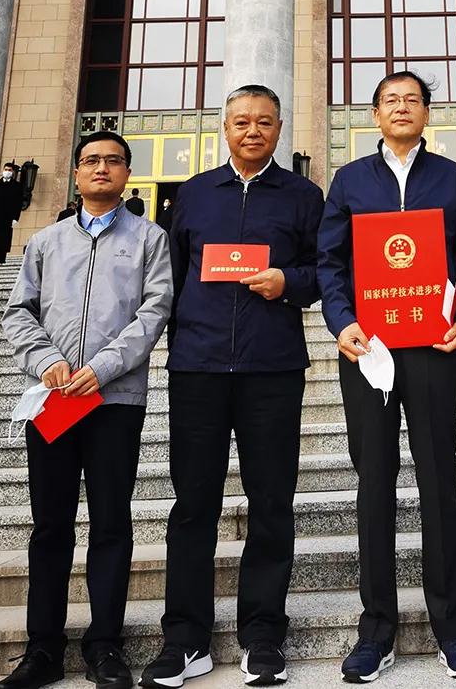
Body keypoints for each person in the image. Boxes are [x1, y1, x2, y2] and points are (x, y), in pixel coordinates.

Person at [141, 85, 323, 689]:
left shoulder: (302, 196)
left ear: (279, 130)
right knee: (193, 504)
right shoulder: (194, 193)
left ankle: (263, 635)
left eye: (264, 122)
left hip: (272, 369)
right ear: (225, 128)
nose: (252, 131)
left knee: (271, 502)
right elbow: (170, 276)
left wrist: (288, 282)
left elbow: (326, 271)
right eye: (242, 121)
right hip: (198, 367)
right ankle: (184, 640)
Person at [316, 70, 456, 683]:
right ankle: (376, 629)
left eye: (413, 100)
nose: (402, 108)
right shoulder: (350, 180)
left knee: (439, 478)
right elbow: (330, 261)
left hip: (435, 347)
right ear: (375, 114)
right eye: (391, 100)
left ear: (427, 113)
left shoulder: (452, 178)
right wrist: (342, 322)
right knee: (375, 482)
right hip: (370, 349)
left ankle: (452, 627)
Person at [0, 131, 173, 689]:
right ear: (76, 173)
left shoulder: (150, 239)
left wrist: (104, 367)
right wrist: (46, 359)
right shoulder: (46, 242)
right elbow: (18, 312)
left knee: (111, 522)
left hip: (114, 399)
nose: (102, 168)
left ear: (127, 173)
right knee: (51, 524)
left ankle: (105, 646)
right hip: (54, 399)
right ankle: (42, 649)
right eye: (91, 160)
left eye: (113, 161)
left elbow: (155, 310)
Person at [0, 161, 24, 263]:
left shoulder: (17, 186)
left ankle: (1, 260)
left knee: (3, 240)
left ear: (13, 172)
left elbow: (18, 203)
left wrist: (15, 218)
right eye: (5, 169)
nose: (7, 171)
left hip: (7, 218)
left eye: (9, 170)